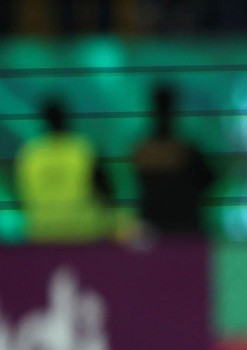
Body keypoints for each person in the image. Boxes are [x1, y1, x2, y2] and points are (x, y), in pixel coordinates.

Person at [15, 98, 113, 242]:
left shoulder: (30, 153)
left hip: (41, 230)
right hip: (84, 231)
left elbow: (21, 194)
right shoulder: (83, 148)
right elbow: (106, 192)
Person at [131, 84, 215, 235]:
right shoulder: (187, 150)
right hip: (181, 228)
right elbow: (208, 180)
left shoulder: (143, 150)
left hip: (158, 229)